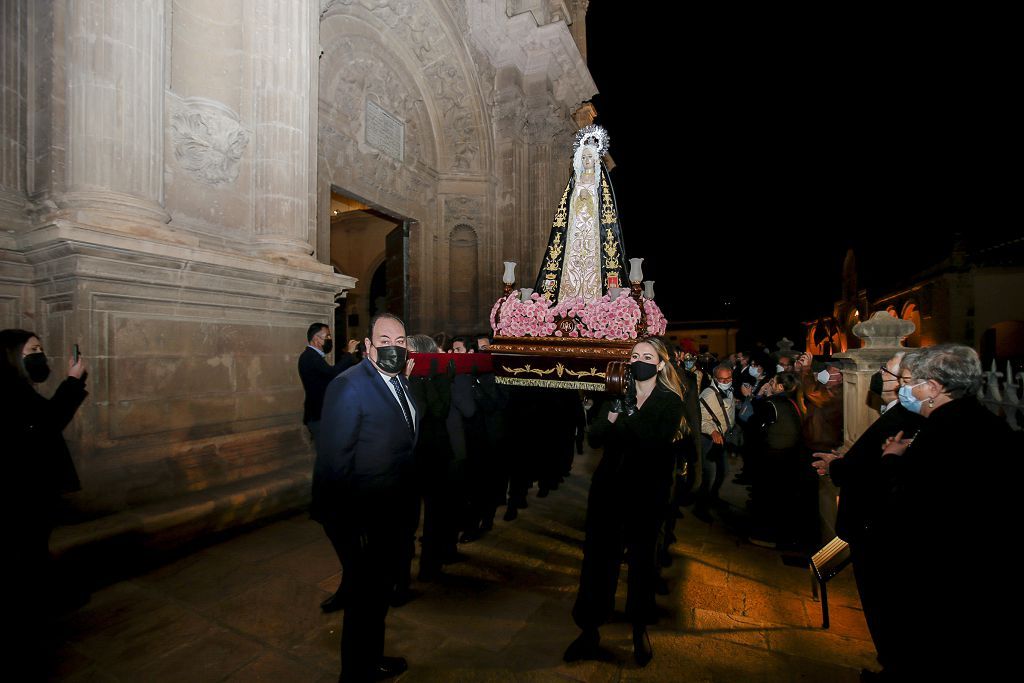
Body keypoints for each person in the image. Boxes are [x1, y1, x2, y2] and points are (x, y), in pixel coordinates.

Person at [858, 345, 1014, 679]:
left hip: (934, 567)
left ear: (933, 387)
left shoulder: (941, 433)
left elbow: (908, 502)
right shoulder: (986, 423)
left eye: (911, 380)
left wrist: (891, 460)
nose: (903, 387)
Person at [564, 337, 686, 667]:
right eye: (635, 355)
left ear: (661, 364)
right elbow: (595, 436)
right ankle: (589, 628)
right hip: (609, 489)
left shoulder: (669, 400)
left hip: (647, 492)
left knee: (643, 561)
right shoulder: (617, 393)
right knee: (597, 559)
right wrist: (617, 417)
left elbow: (651, 440)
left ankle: (638, 629)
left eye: (648, 356)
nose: (639, 361)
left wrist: (622, 417)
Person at [312, 313, 420, 682]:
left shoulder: (400, 382)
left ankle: (372, 659)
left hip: (393, 513)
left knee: (377, 598)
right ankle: (355, 674)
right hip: (364, 519)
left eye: (400, 340)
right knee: (362, 602)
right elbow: (333, 464)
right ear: (369, 347)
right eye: (385, 340)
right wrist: (348, 526)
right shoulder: (350, 385)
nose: (394, 347)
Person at [812, 351, 924, 676]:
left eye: (887, 371)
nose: (880, 375)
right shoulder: (895, 412)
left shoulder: (907, 418)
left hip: (875, 530)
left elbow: (876, 472)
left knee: (885, 609)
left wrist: (840, 467)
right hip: (868, 525)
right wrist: (839, 463)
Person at [1, 328, 88, 663]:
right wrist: (71, 382)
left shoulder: (17, 388)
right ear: (11, 355)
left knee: (32, 550)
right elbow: (42, 426)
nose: (40, 355)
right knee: (26, 554)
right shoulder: (8, 391)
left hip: (29, 490)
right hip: (21, 492)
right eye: (33, 349)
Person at [533, 124, 628, 303]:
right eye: (583, 157)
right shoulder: (575, 180)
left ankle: (596, 301)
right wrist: (579, 198)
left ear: (596, 159)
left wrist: (589, 198)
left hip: (593, 231)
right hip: (576, 230)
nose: (586, 160)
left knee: (593, 264)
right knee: (572, 263)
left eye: (589, 157)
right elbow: (567, 207)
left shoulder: (601, 182)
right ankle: (568, 298)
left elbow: (604, 209)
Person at [297, 322, 357, 445]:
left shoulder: (312, 356)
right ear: (316, 339)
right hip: (318, 416)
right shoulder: (310, 357)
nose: (330, 339)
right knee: (326, 456)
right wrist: (349, 354)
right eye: (327, 336)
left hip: (321, 414)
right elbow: (333, 374)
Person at [694, 361, 737, 521]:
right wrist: (712, 430)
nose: (726, 382)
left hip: (722, 438)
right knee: (709, 476)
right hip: (710, 440)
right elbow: (702, 419)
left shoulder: (729, 390)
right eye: (722, 379)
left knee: (723, 471)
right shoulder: (708, 394)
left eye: (729, 379)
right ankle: (700, 508)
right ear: (714, 378)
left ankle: (713, 497)